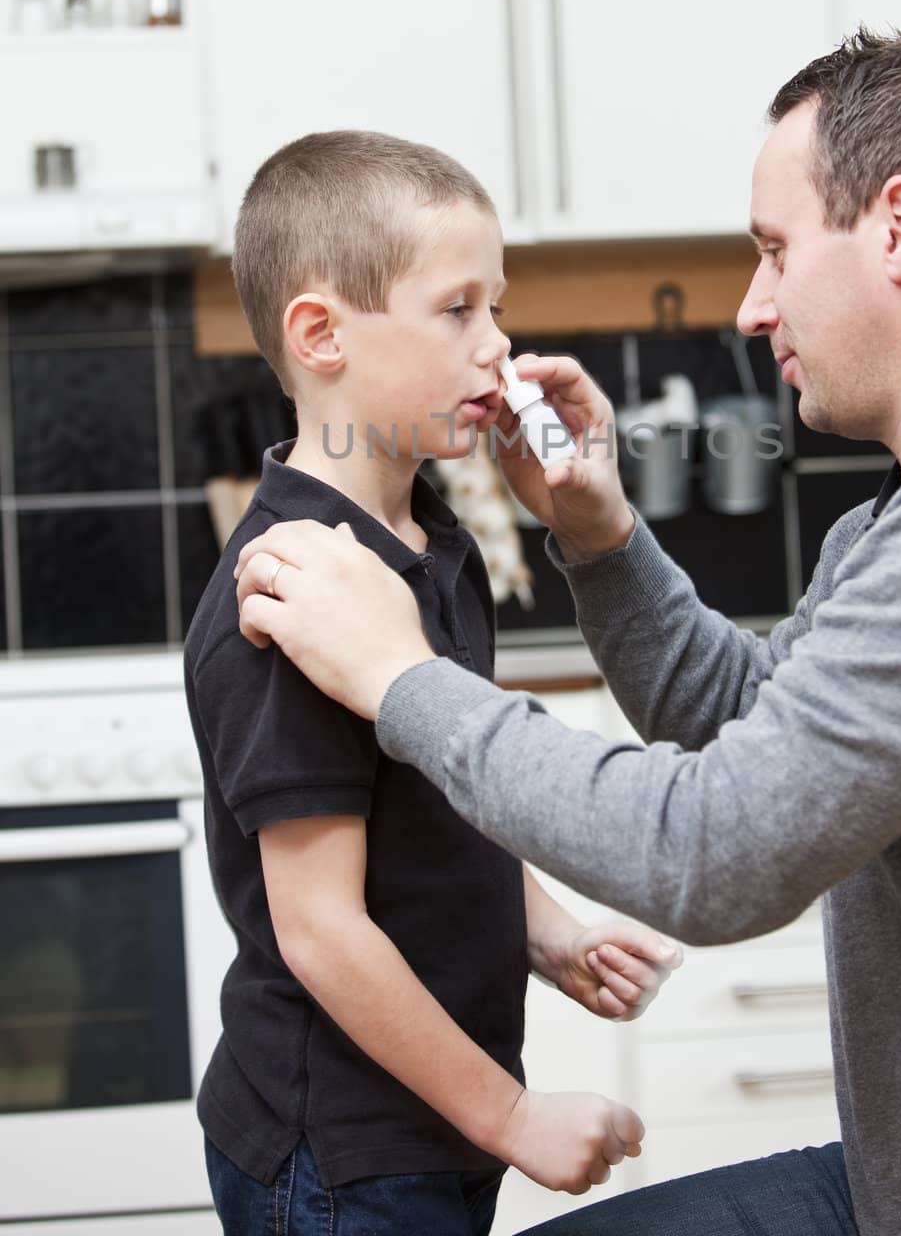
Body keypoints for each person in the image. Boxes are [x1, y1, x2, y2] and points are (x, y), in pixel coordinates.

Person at [232, 31, 901, 1236]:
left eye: (773, 250)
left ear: (898, 227)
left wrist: (401, 676)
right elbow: (762, 734)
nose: (750, 305)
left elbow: (718, 844)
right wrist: (598, 534)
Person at [185, 129, 683, 1236]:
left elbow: (438, 801)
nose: (497, 348)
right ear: (320, 333)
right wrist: (509, 1114)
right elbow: (318, 929)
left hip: (426, 1119)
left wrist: (546, 931)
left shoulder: (428, 540)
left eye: (494, 308)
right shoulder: (295, 592)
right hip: (340, 1149)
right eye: (458, 310)